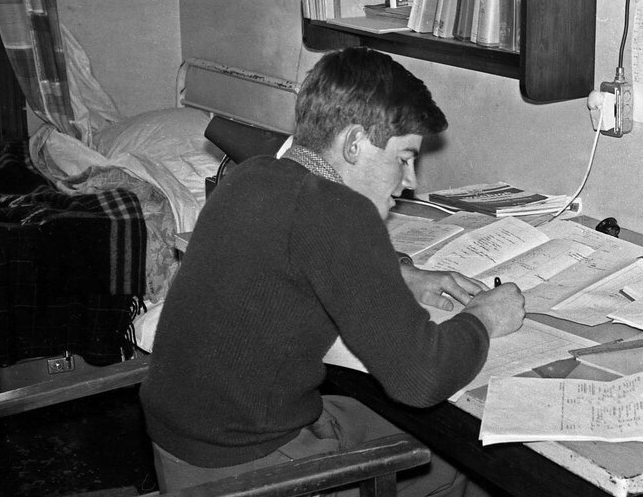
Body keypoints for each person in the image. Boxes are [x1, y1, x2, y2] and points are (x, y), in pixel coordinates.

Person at [139, 47, 526, 494]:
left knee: (383, 420)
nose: (410, 182)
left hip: (186, 452)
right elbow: (422, 377)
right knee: (465, 458)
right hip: (250, 471)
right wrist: (484, 318)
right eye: (403, 158)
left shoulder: (254, 175)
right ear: (354, 143)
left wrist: (400, 274)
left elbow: (298, 256)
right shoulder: (340, 213)